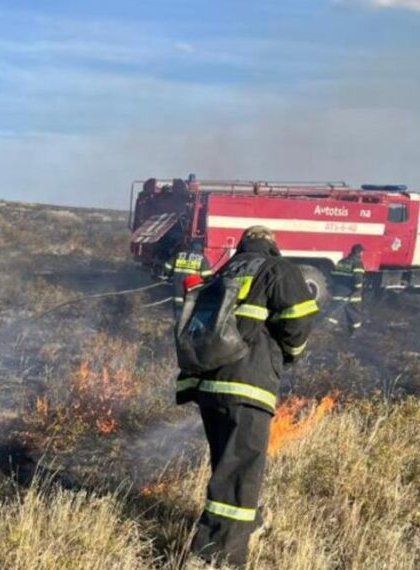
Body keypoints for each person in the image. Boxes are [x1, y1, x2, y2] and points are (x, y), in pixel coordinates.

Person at [176, 225, 318, 569]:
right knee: (240, 472)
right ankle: (215, 557)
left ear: (243, 246)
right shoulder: (277, 269)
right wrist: (290, 353)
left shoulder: (224, 272)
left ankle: (244, 523)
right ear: (272, 246)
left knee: (228, 465)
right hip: (248, 386)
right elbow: (299, 319)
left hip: (210, 387)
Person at [164, 240, 215, 318]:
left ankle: (177, 319)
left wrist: (169, 276)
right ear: (200, 248)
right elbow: (206, 274)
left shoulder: (179, 254)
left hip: (177, 280)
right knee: (191, 300)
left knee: (178, 300)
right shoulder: (201, 257)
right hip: (192, 282)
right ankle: (188, 319)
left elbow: (167, 267)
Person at [326, 245, 366, 336]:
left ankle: (326, 329)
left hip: (338, 291)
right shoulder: (357, 263)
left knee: (335, 311)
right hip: (351, 292)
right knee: (354, 312)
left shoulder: (342, 261)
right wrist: (358, 288)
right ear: (359, 252)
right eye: (362, 252)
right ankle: (355, 332)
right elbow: (358, 278)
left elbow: (334, 275)